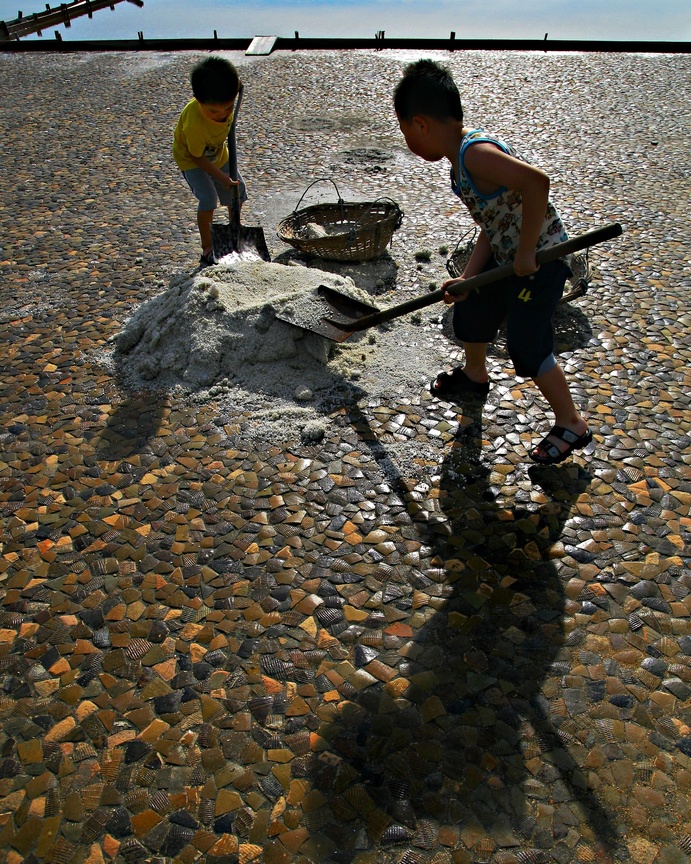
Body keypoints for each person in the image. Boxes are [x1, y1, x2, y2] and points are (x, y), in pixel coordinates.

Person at [393, 59, 592, 465]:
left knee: (527, 342)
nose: (407, 141)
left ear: (421, 124)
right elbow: (492, 223)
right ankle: (475, 375)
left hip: (542, 261)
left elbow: (537, 182)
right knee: (473, 305)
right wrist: (468, 278)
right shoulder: (459, 164)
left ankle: (572, 423)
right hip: (509, 256)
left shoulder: (476, 154)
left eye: (405, 132)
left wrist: (526, 251)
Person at [173, 56, 247, 268]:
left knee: (238, 191)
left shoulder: (227, 97)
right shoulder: (195, 125)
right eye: (213, 111)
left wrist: (235, 85)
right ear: (198, 100)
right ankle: (208, 247)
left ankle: (235, 233)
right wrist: (223, 178)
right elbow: (197, 157)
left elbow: (236, 85)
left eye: (228, 108)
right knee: (208, 199)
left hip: (217, 152)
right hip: (193, 159)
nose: (221, 115)